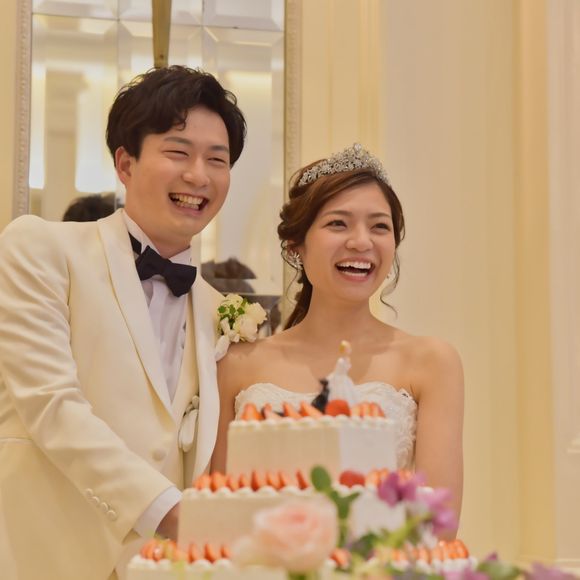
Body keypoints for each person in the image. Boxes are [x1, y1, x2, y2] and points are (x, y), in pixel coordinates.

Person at [0, 65, 246, 580]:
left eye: (217, 160)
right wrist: (170, 513)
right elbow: (51, 405)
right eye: (178, 152)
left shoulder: (221, 311)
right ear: (125, 163)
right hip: (40, 560)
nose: (198, 176)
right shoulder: (40, 248)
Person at [212, 143, 464, 534]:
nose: (361, 242)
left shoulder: (431, 362)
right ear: (296, 245)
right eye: (338, 224)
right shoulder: (237, 364)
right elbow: (217, 513)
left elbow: (436, 528)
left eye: (379, 226)